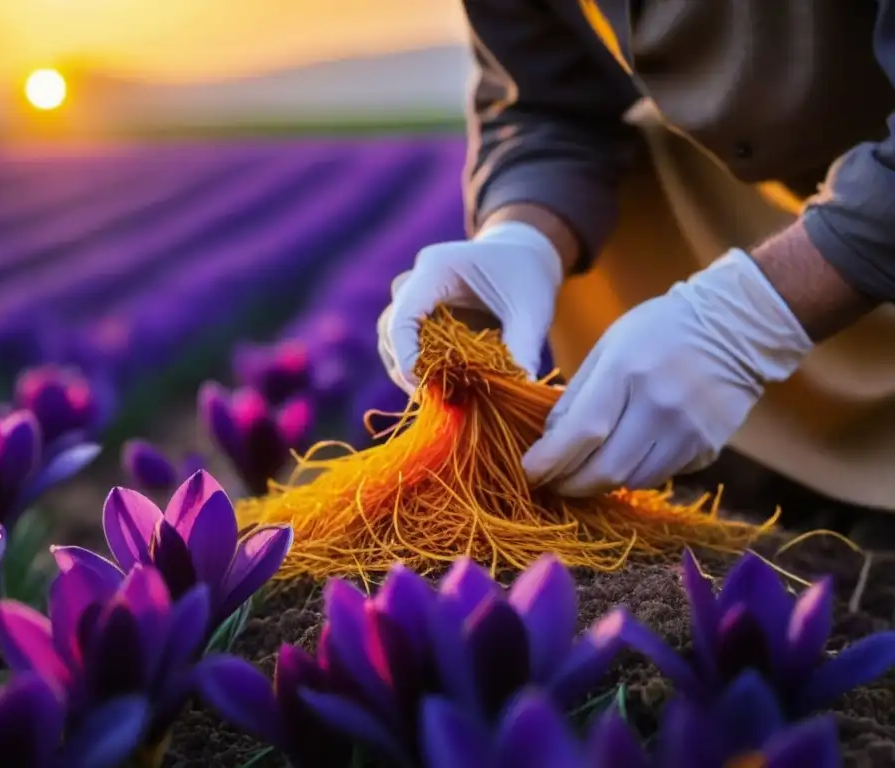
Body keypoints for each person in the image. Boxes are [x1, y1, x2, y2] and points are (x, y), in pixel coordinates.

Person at [377, 0, 895, 509]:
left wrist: (748, 318)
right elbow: (548, 105)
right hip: (784, 204)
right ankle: (760, 479)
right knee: (630, 182)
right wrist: (522, 235)